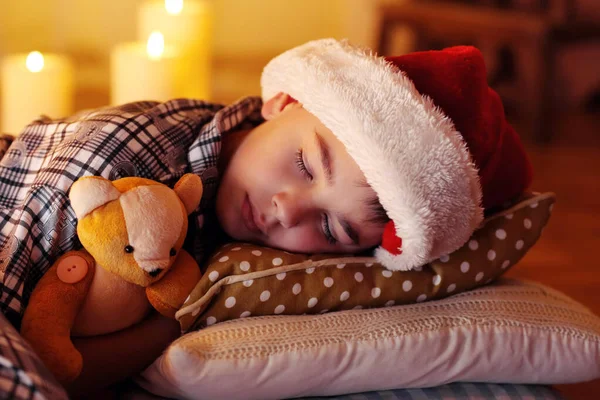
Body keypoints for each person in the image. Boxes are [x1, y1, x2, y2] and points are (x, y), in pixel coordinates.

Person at [0, 39, 532, 394]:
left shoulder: (230, 261)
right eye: (304, 162)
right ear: (284, 101)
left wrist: (167, 327)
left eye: (331, 227)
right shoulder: (133, 158)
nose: (287, 208)